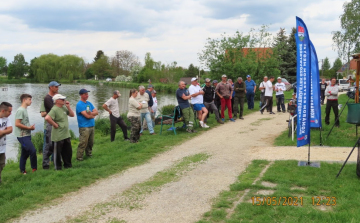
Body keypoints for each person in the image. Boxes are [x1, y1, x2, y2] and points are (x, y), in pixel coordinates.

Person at [45, 94, 75, 170]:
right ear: (57, 101)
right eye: (62, 99)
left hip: (66, 134)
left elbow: (72, 115)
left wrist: (68, 107)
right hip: (58, 135)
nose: (64, 100)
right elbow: (47, 118)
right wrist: (54, 124)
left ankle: (68, 166)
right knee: (57, 153)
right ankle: (58, 168)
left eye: (64, 99)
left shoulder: (64, 107)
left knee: (68, 151)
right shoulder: (54, 109)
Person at [14, 94, 37, 174]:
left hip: (26, 135)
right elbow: (17, 124)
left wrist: (29, 127)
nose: (31, 101)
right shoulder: (20, 110)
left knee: (25, 154)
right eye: (30, 99)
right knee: (32, 151)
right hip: (22, 136)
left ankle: (22, 170)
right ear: (24, 100)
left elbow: (23, 122)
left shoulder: (24, 109)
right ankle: (34, 169)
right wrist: (29, 128)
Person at [76, 89, 98, 161]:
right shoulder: (79, 104)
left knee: (90, 142)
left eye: (87, 94)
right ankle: (79, 157)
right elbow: (87, 116)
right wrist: (92, 115)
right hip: (84, 126)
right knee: (83, 142)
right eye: (85, 94)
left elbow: (96, 112)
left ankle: (89, 154)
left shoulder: (89, 103)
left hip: (91, 125)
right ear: (81, 95)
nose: (87, 95)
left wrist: (91, 113)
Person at [43, 81, 60, 169]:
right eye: (56, 87)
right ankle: (45, 164)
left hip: (57, 123)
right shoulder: (47, 98)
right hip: (50, 123)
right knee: (49, 144)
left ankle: (56, 161)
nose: (58, 88)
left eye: (58, 87)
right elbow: (55, 109)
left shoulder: (56, 97)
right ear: (51, 87)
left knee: (58, 143)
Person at [0, 102, 13, 183]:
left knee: (1, 165)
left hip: (2, 147)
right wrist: (5, 131)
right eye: (9, 112)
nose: (11, 114)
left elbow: (10, 129)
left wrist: (2, 132)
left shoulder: (6, 119)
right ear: (3, 111)